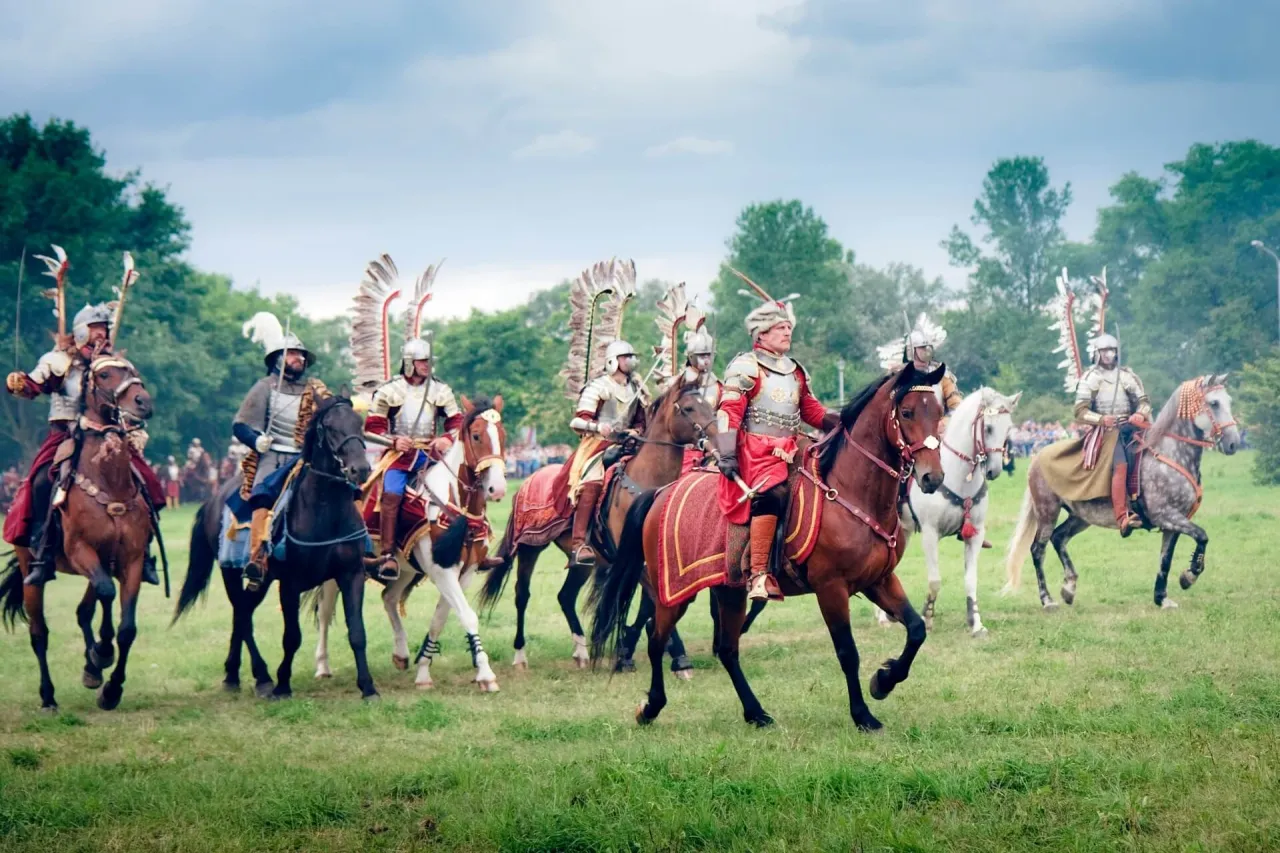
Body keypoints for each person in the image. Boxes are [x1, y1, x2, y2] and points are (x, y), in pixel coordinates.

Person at [4, 303, 164, 586]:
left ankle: (144, 551)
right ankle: (41, 551)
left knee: (147, 481)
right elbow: (35, 385)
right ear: (80, 331)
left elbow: (129, 395)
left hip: (108, 435)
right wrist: (20, 384)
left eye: (104, 328)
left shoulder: (114, 365)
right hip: (65, 433)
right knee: (42, 480)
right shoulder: (60, 360)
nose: (100, 334)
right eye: (95, 328)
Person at [714, 293, 839, 602]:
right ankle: (758, 574)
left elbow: (811, 411)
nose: (787, 332)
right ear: (762, 333)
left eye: (788, 327)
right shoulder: (746, 367)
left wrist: (843, 421)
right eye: (780, 328)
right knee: (775, 493)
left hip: (792, 446)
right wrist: (727, 453)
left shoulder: (795, 370)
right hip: (755, 453)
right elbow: (728, 413)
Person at [231, 312, 328, 588]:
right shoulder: (263, 388)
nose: (299, 358)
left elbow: (332, 410)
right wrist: (256, 440)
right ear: (277, 358)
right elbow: (240, 426)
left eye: (301, 355)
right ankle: (257, 559)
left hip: (304, 457)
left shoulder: (315, 387)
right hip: (273, 456)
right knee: (262, 494)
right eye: (293, 354)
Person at [363, 336, 462, 579]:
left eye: (428, 361)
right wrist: (394, 440)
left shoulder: (440, 389)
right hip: (400, 456)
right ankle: (387, 555)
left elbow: (457, 423)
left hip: (431, 454)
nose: (427, 365)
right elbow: (371, 428)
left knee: (463, 487)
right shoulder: (389, 390)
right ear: (409, 363)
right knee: (391, 493)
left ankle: (475, 543)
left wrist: (447, 439)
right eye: (422, 361)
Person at [565, 339, 648, 568]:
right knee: (593, 480)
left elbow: (642, 421)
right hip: (598, 445)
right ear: (613, 361)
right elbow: (577, 421)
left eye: (631, 357)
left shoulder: (636, 388)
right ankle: (579, 544)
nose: (630, 361)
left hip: (629, 444)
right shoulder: (599, 386)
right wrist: (597, 427)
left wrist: (636, 430)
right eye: (625, 357)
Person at [1074, 333, 1151, 536]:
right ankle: (1122, 517)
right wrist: (1101, 419)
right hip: (1107, 433)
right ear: (1096, 354)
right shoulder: (1090, 378)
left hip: (1132, 427)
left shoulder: (1128, 376)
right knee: (1121, 466)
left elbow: (1144, 402)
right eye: (1104, 351)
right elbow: (1080, 411)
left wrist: (1138, 414)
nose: (1109, 354)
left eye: (1112, 350)